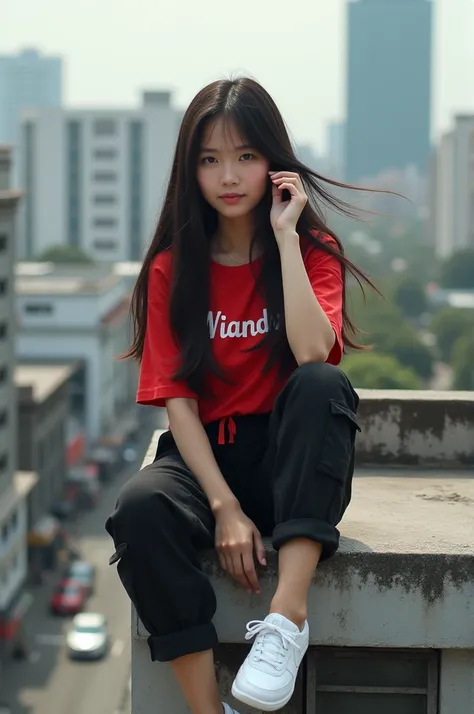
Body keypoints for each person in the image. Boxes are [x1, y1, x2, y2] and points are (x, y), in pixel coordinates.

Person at [105, 76, 371, 714]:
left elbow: (313, 354)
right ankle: (209, 708)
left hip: (289, 458)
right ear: (189, 169)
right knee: (138, 508)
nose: (229, 176)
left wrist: (284, 238)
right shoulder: (174, 267)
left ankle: (286, 619)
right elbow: (180, 402)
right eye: (210, 159)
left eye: (246, 156)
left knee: (320, 383)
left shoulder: (311, 250)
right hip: (207, 458)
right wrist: (224, 507)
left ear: (273, 163)